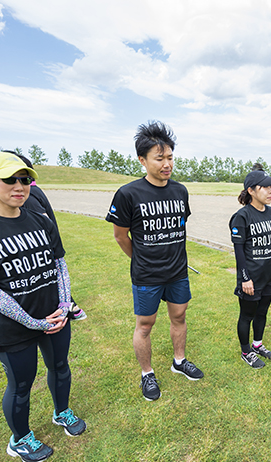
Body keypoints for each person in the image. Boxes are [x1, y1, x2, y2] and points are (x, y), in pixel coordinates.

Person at [0, 152, 86, 462]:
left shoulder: (39, 219)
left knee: (61, 367)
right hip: (15, 326)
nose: (19, 186)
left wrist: (64, 306)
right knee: (21, 384)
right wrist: (33, 322)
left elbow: (59, 266)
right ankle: (20, 439)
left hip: (55, 315)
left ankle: (61, 412)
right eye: (9, 179)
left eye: (24, 178)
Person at [106, 121, 203, 401]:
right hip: (147, 275)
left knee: (179, 316)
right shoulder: (128, 194)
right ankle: (147, 374)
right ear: (142, 160)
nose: (166, 164)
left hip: (177, 272)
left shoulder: (180, 191)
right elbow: (120, 236)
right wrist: (142, 259)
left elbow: (180, 225)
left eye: (170, 157)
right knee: (145, 324)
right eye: (159, 158)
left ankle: (179, 361)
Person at [5, 151, 86, 321]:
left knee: (49, 280)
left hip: (44, 249)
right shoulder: (32, 191)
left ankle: (72, 307)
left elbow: (42, 222)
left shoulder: (28, 195)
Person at [229, 164, 271, 369]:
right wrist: (245, 278)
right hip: (251, 277)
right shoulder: (242, 217)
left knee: (262, 312)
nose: (270, 191)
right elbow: (239, 251)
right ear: (251, 191)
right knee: (247, 315)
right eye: (265, 187)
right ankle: (246, 352)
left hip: (269, 274)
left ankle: (258, 345)